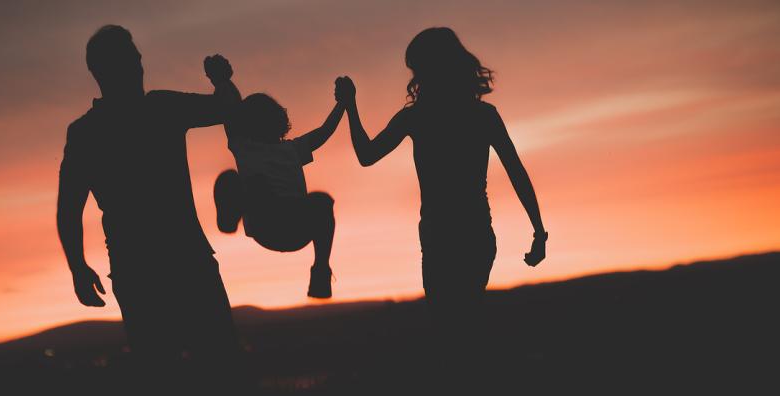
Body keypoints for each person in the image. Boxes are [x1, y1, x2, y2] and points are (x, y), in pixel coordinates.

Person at [334, 27, 547, 359]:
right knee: (465, 324)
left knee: (449, 329)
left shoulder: (416, 117)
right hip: (472, 232)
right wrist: (538, 232)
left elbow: (366, 155)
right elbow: (517, 173)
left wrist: (350, 106)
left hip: (442, 235)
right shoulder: (482, 114)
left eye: (417, 68)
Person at [56, 25, 241, 371]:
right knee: (216, 366)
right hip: (179, 263)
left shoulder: (87, 131)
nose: (141, 60)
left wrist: (78, 268)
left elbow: (69, 210)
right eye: (132, 54)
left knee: (166, 372)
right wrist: (221, 79)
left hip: (142, 269)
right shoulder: (159, 108)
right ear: (111, 68)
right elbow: (229, 107)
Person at [212, 88, 344, 298]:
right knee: (240, 181)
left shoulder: (293, 149)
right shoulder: (244, 146)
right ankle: (229, 218)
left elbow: (324, 131)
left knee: (321, 201)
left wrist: (342, 103)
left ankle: (321, 272)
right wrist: (221, 81)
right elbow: (230, 113)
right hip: (266, 222)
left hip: (295, 225)